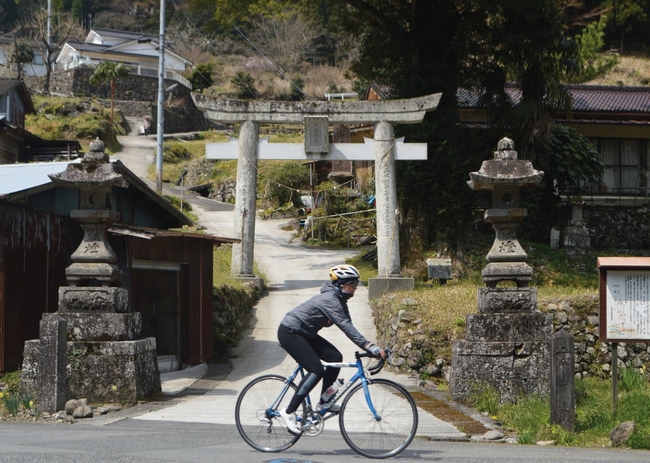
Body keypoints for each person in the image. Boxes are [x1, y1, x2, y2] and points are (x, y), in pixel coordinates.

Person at [277, 264, 385, 435]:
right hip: (290, 331)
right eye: (352, 284)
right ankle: (288, 412)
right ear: (341, 284)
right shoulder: (330, 299)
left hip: (305, 333)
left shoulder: (340, 301)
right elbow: (345, 326)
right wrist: (369, 347)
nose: (355, 288)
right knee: (316, 369)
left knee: (335, 357)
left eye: (356, 284)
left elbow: (349, 324)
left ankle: (323, 402)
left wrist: (370, 346)